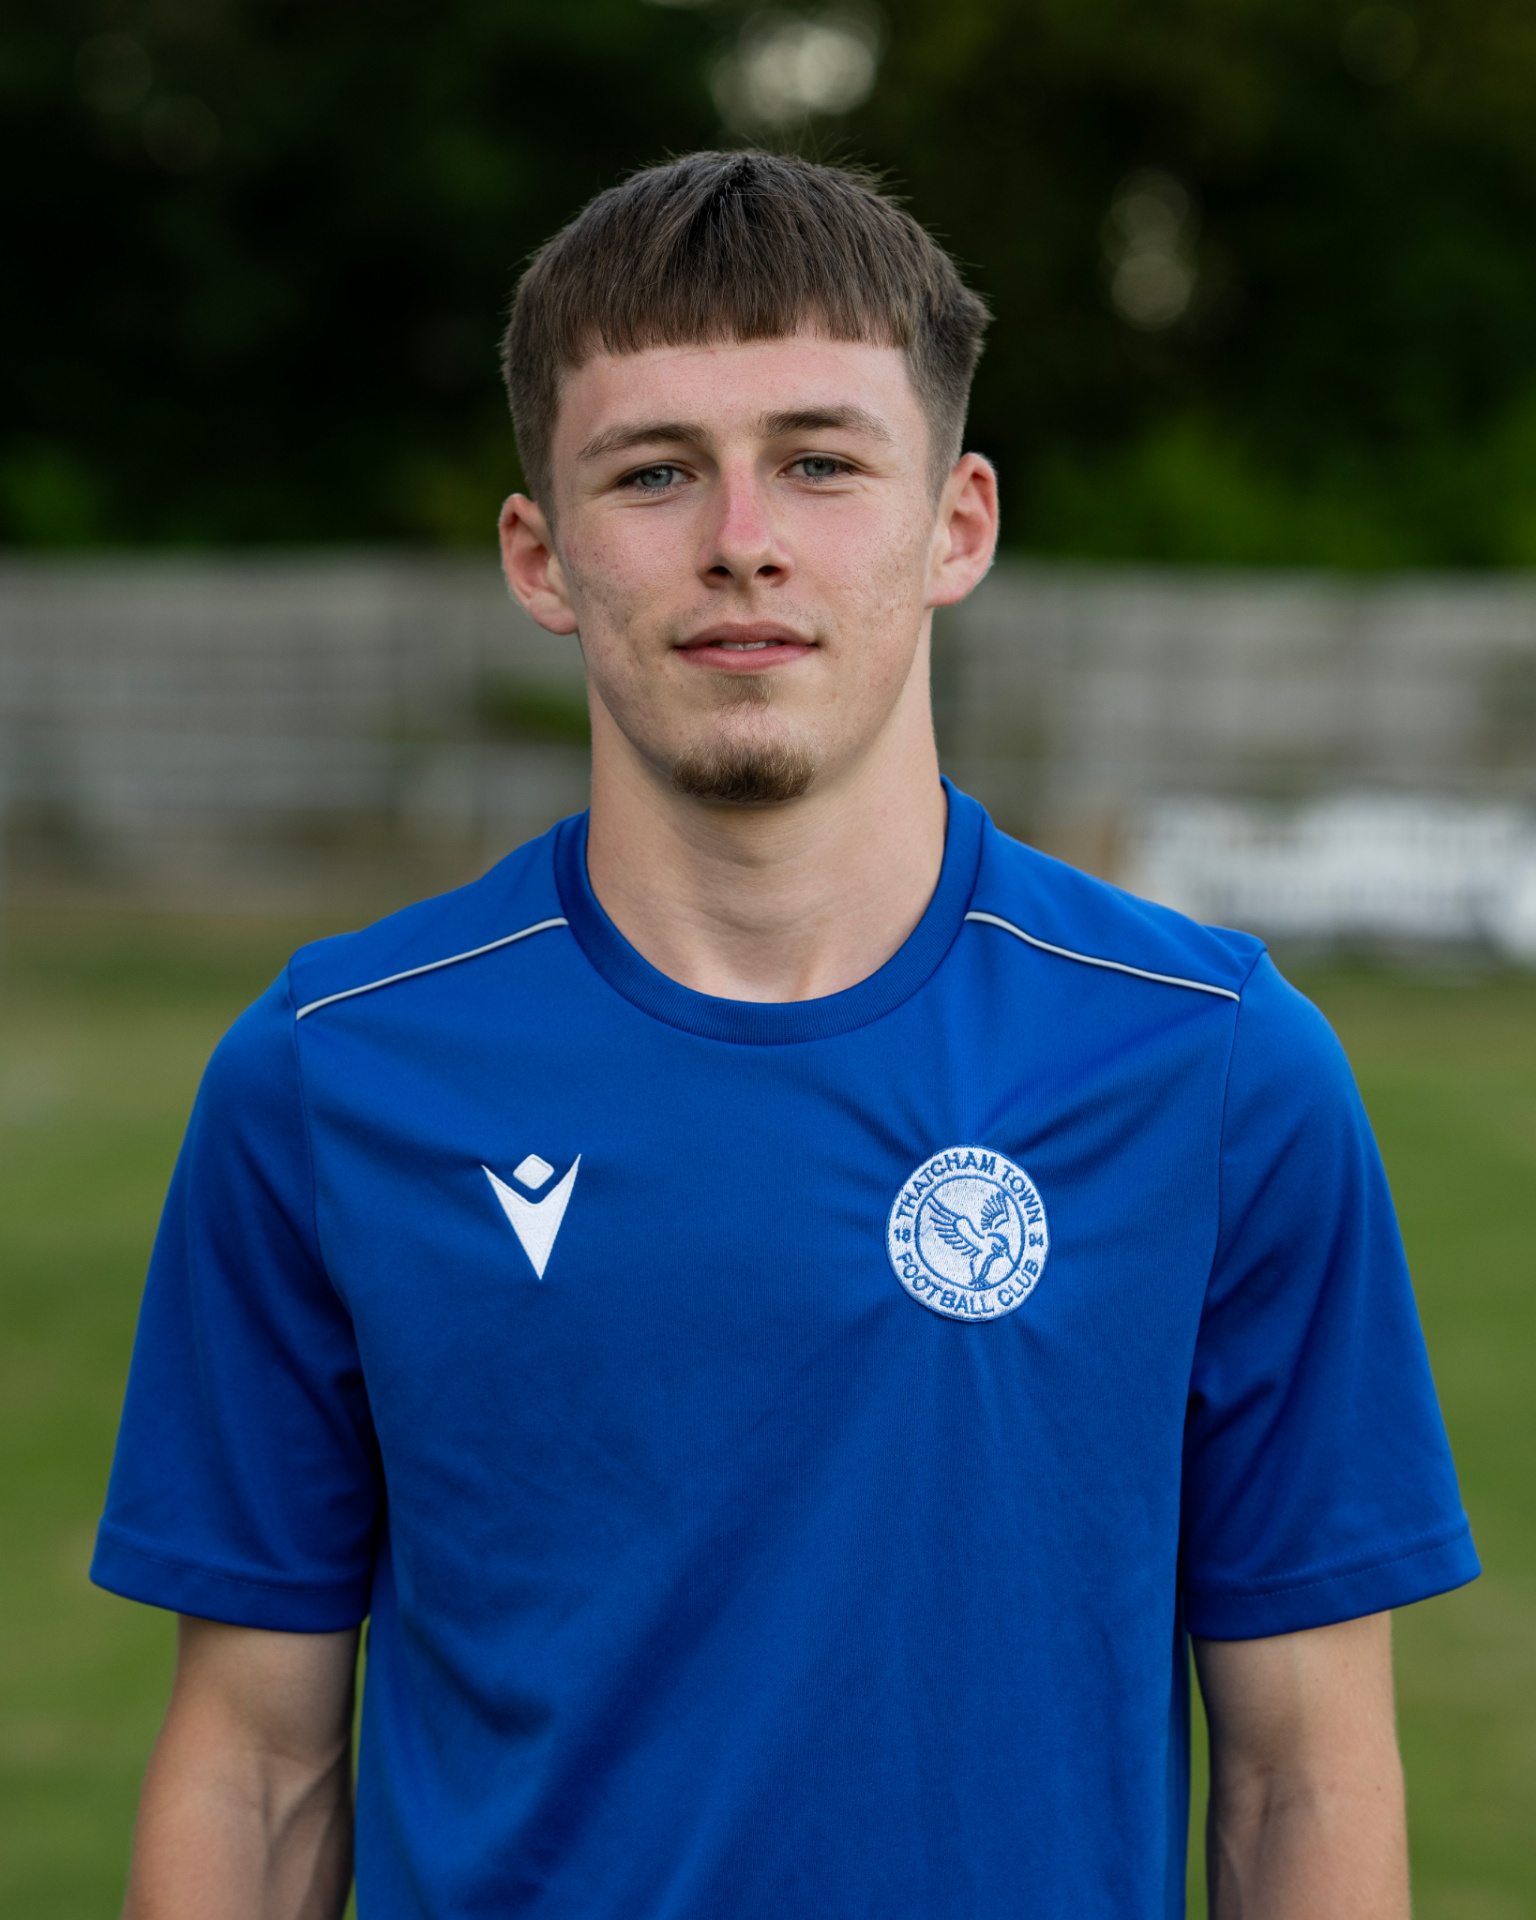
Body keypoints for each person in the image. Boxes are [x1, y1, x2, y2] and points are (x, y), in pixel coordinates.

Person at [94, 151, 1477, 1920]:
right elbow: (257, 1766)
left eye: (821, 462)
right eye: (653, 471)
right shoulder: (330, 1073)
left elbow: (1305, 1778)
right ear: (540, 554)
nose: (741, 536)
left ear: (956, 524)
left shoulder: (1214, 1068)